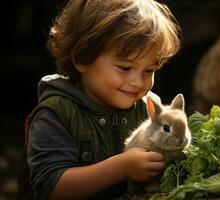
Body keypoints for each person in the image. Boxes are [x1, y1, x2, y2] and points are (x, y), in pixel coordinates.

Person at [23, 0, 181, 199]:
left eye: (149, 70)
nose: (138, 82)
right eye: (125, 67)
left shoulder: (150, 110)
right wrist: (121, 167)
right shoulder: (56, 114)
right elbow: (51, 188)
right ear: (83, 58)